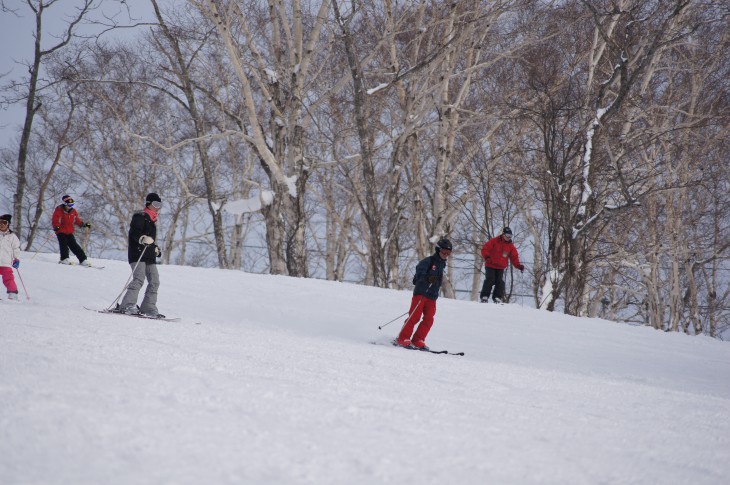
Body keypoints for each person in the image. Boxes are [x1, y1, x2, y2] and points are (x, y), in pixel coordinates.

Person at [396, 238, 452, 350]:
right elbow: (419, 272)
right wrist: (427, 278)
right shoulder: (428, 261)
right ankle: (403, 338)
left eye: (449, 253)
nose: (446, 255)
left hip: (432, 296)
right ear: (438, 250)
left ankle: (417, 340)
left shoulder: (442, 265)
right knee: (415, 316)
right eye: (444, 252)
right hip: (421, 293)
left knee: (429, 319)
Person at [115, 193, 165, 318]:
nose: (158, 207)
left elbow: (150, 239)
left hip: (148, 255)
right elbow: (134, 233)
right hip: (137, 253)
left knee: (155, 281)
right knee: (139, 279)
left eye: (160, 205)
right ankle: (127, 305)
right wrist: (142, 239)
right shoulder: (140, 216)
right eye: (155, 204)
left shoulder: (152, 220)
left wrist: (155, 249)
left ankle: (148, 307)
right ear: (148, 204)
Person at [479, 226, 524, 303]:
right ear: (503, 234)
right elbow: (485, 248)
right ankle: (484, 296)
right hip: (490, 265)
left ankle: (497, 297)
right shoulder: (494, 241)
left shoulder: (510, 246)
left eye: (510, 236)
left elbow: (514, 257)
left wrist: (518, 266)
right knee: (490, 279)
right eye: (507, 236)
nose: (509, 238)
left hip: (500, 267)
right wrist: (487, 257)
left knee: (500, 282)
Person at [52, 194, 92, 266]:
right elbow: (55, 219)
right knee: (63, 244)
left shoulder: (73, 211)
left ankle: (83, 260)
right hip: (60, 231)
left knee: (74, 245)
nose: (70, 206)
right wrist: (56, 226)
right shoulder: (59, 210)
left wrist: (83, 225)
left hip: (69, 231)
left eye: (72, 204)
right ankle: (64, 259)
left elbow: (77, 220)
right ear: (65, 204)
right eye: (69, 205)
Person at [0, 214, 21, 301]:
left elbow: (16, 248)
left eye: (4, 222)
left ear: (8, 224)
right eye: (0, 222)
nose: (1, 224)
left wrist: (16, 259)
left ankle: (12, 293)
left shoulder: (12, 236)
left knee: (8, 278)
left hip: (6, 262)